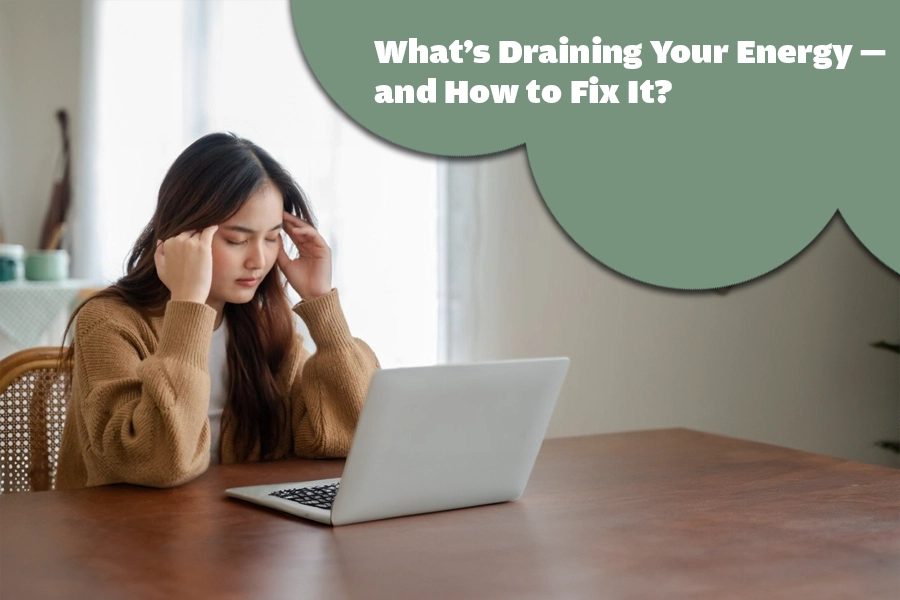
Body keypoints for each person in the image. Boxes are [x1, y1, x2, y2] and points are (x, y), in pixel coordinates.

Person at [55, 132, 380, 490]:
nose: (259, 260)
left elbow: (348, 437)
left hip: (237, 532)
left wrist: (322, 308)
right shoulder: (108, 322)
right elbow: (156, 462)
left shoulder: (266, 325)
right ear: (183, 236)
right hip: (125, 535)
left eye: (272, 238)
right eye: (237, 240)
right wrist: (189, 307)